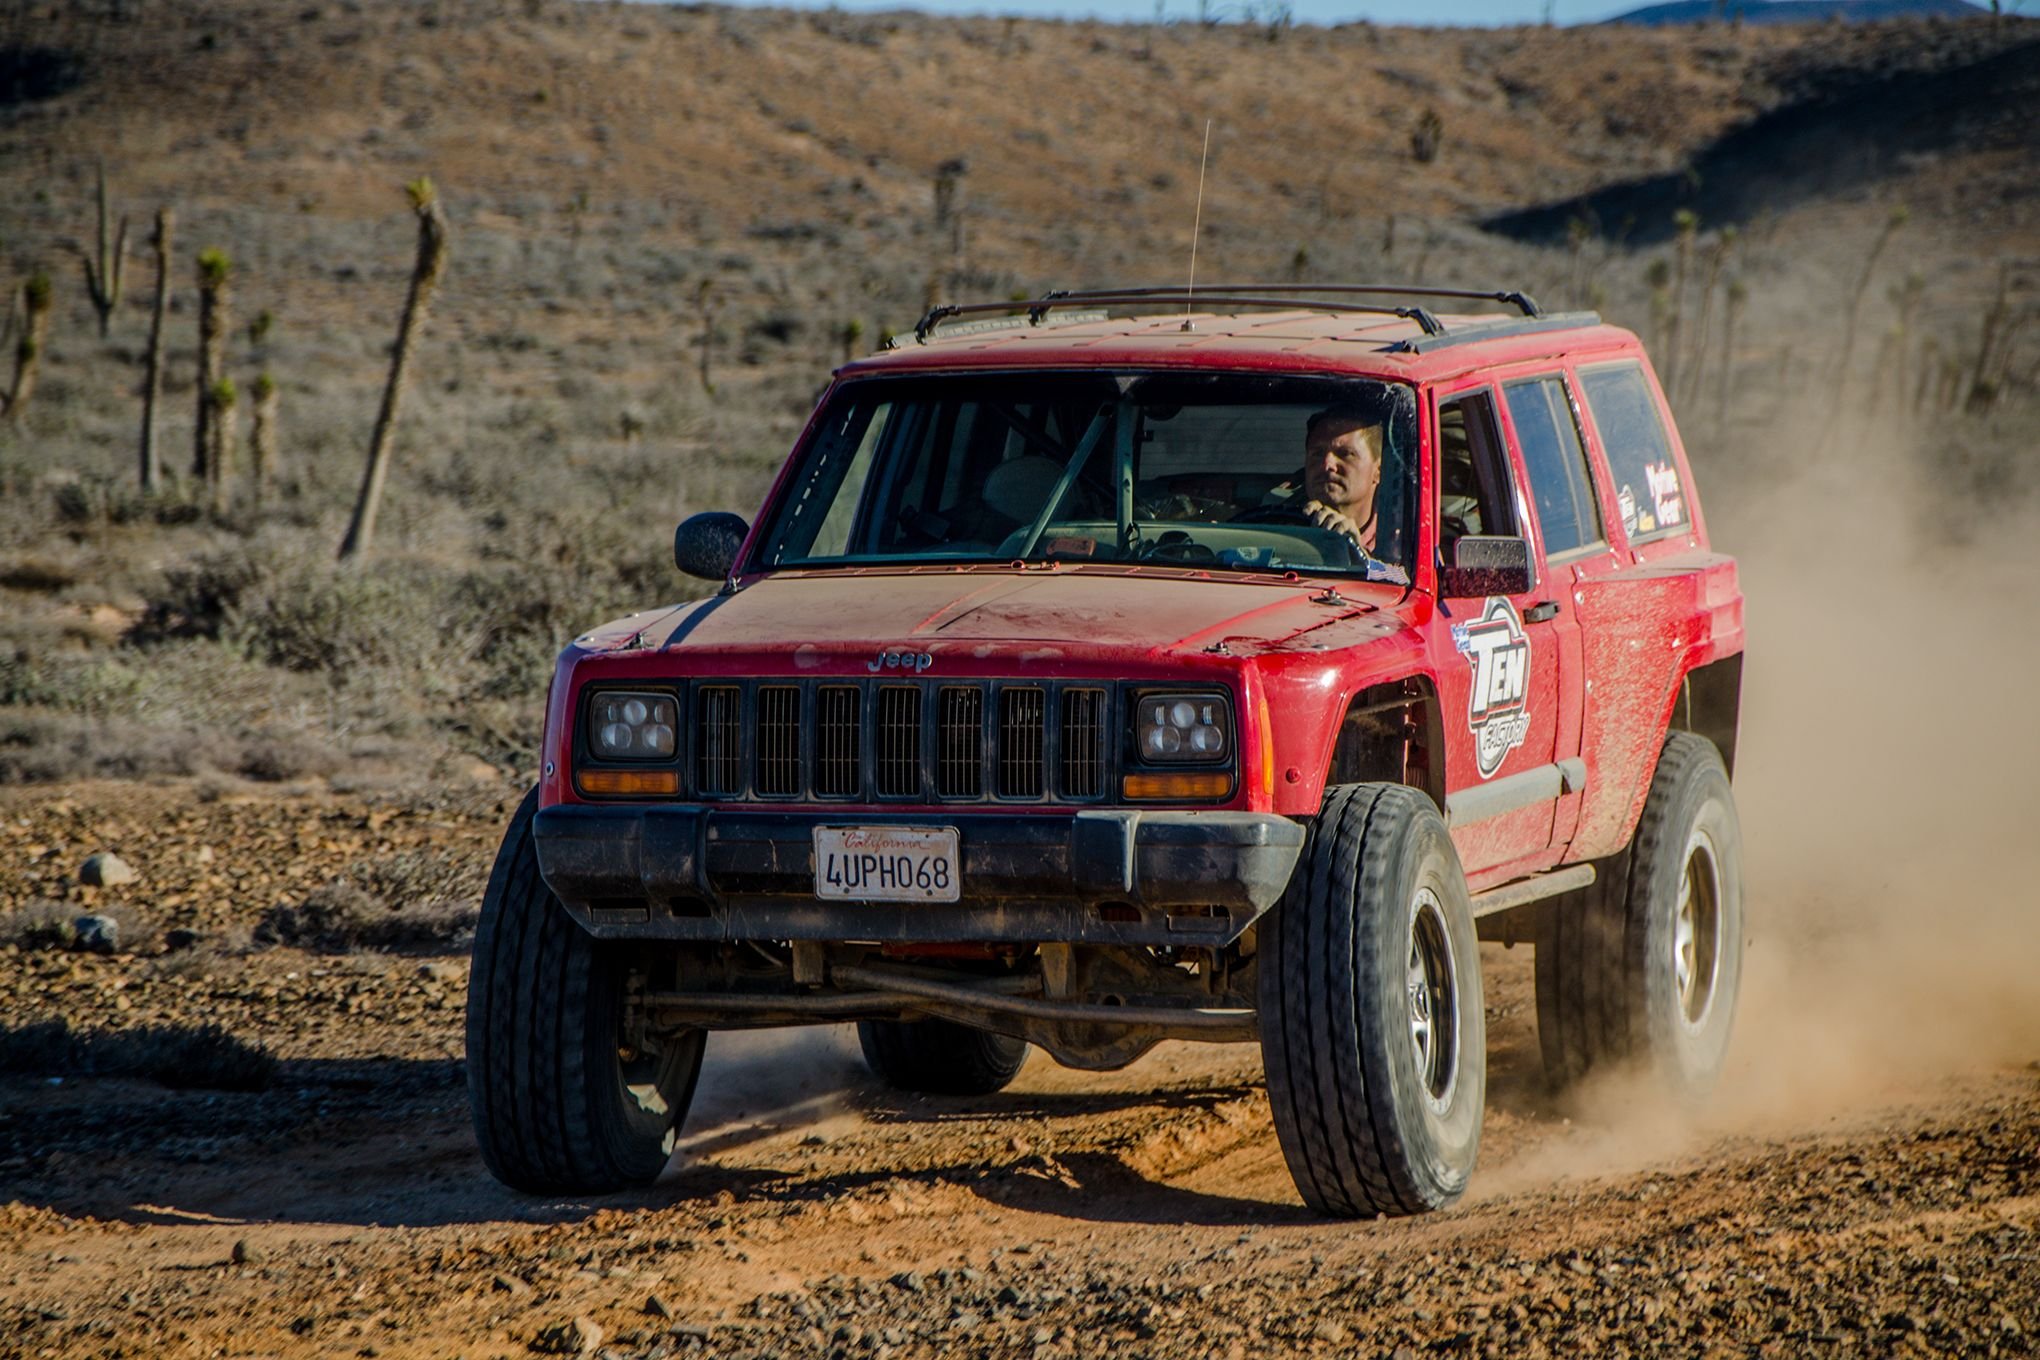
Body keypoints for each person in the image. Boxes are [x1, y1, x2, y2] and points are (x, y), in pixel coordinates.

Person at [1258, 402, 1384, 554]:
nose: (1327, 465)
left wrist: (1360, 558)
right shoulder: (1274, 524)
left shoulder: (1403, 536)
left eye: (1345, 454)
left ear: (1378, 470)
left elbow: (1402, 576)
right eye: (1317, 453)